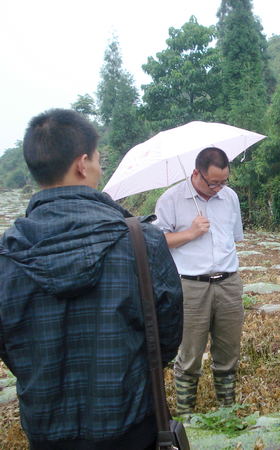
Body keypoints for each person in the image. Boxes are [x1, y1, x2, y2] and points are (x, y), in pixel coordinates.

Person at [0, 109, 183, 450]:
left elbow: (7, 345)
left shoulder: (6, 254)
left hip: (45, 429)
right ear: (83, 164)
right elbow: (167, 333)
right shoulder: (141, 239)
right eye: (99, 159)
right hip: (131, 423)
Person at [154, 147, 244, 418]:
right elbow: (157, 243)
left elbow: (235, 237)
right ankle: (186, 417)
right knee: (190, 354)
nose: (218, 187)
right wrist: (190, 233)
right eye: (213, 182)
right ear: (196, 173)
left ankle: (227, 413)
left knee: (228, 353)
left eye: (224, 181)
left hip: (228, 283)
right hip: (191, 286)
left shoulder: (229, 198)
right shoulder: (171, 199)